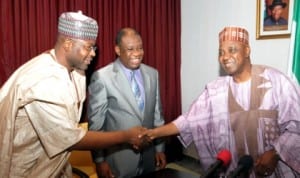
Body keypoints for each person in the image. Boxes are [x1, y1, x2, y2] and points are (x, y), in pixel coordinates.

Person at [0, 11, 146, 178]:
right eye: (88, 47)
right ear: (68, 44)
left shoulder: (77, 70)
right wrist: (126, 136)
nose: (93, 53)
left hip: (56, 165)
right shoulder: (44, 80)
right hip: (24, 169)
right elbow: (71, 138)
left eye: (94, 47)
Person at [142, 26, 300, 177]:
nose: (224, 57)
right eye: (221, 52)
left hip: (275, 171)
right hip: (235, 171)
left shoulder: (277, 81)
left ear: (247, 50)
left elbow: (297, 126)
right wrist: (152, 134)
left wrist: (275, 152)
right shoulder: (215, 90)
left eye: (232, 50)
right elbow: (188, 121)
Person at [87, 27, 166, 178]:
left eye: (140, 48)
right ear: (117, 50)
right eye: (130, 49)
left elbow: (157, 115)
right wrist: (99, 161)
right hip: (118, 161)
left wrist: (159, 149)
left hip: (149, 158)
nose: (137, 53)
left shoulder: (152, 74)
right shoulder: (102, 77)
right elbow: (96, 125)